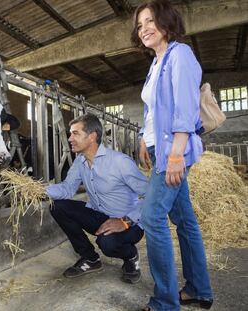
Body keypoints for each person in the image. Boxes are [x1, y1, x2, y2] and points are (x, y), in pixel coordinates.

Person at [130, 1, 213, 310]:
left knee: (152, 216)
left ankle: (165, 302)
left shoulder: (180, 55)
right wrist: (142, 138)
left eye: (150, 21)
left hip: (172, 151)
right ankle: (199, 290)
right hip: (157, 148)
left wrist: (176, 154)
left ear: (166, 22)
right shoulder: (156, 63)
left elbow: (184, 109)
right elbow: (153, 110)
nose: (144, 29)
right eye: (140, 25)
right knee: (184, 219)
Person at [46, 114, 148, 284]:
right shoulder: (80, 162)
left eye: (75, 134)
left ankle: (130, 257)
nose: (70, 139)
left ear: (92, 136)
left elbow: (152, 195)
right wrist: (38, 191)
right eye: (70, 134)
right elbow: (67, 189)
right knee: (57, 206)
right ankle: (90, 258)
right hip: (98, 215)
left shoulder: (119, 162)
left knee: (107, 243)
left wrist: (125, 221)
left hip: (128, 223)